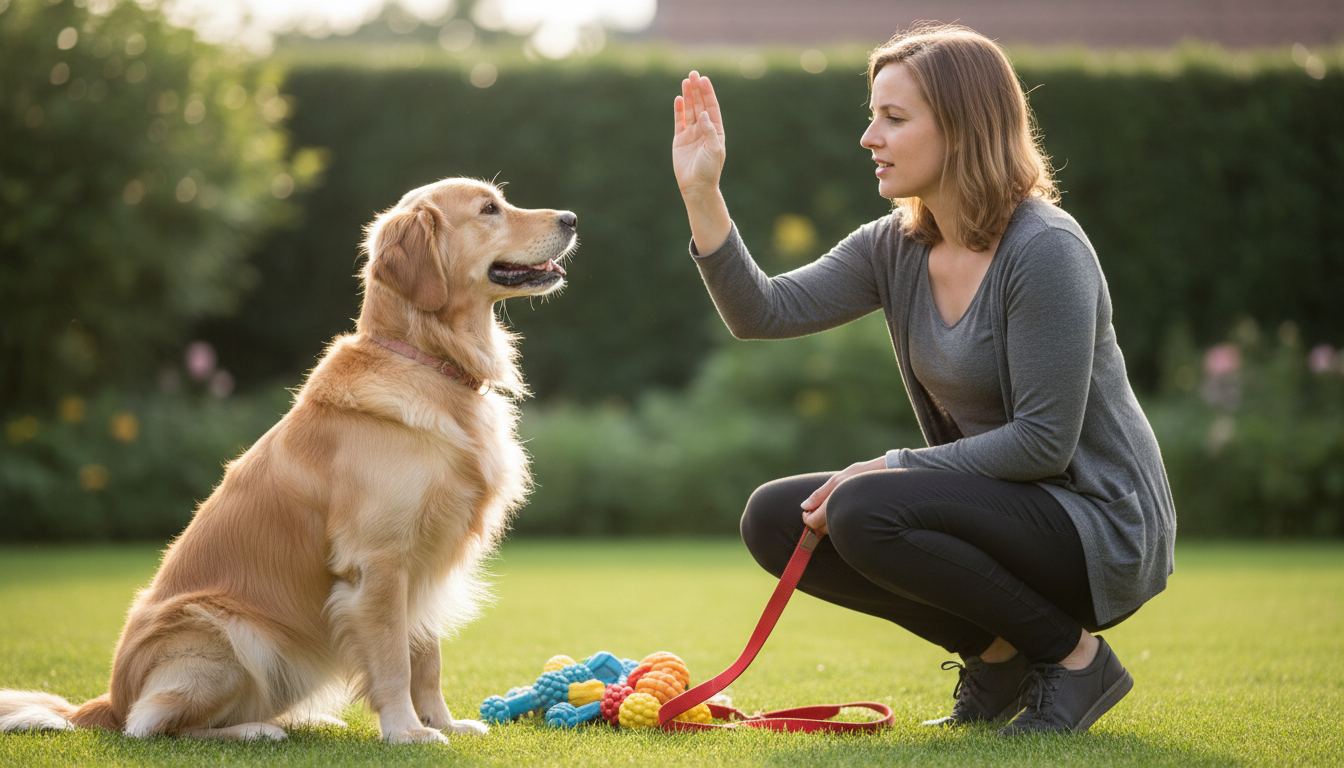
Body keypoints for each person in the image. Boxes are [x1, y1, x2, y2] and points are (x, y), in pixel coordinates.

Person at [670, 23, 1176, 736]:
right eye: (872, 115)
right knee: (777, 519)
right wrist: (702, 192)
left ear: (965, 130)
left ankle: (1074, 661)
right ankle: (997, 655)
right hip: (1005, 513)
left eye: (894, 118)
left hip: (1095, 526)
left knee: (862, 506)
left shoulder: (1046, 249)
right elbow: (761, 311)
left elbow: (1042, 446)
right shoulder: (896, 244)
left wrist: (885, 466)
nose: (869, 137)